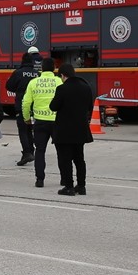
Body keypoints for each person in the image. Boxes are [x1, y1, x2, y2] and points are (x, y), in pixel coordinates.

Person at [48, 63, 94, 195]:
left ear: (63, 75)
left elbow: (53, 106)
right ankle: (81, 186)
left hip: (65, 130)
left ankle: (69, 187)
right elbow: (90, 107)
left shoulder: (62, 88)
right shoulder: (86, 87)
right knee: (79, 159)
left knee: (65, 159)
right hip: (81, 129)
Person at [21, 57, 62, 189]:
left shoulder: (33, 82)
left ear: (42, 68)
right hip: (56, 122)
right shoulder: (59, 81)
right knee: (61, 151)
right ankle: (64, 178)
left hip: (40, 122)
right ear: (54, 68)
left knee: (40, 151)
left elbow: (26, 103)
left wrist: (27, 118)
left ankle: (40, 179)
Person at [6, 46, 41, 165]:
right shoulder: (37, 73)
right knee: (30, 129)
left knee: (23, 130)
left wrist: (19, 89)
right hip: (35, 107)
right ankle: (31, 151)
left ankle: (27, 153)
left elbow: (9, 86)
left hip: (22, 105)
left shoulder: (18, 73)